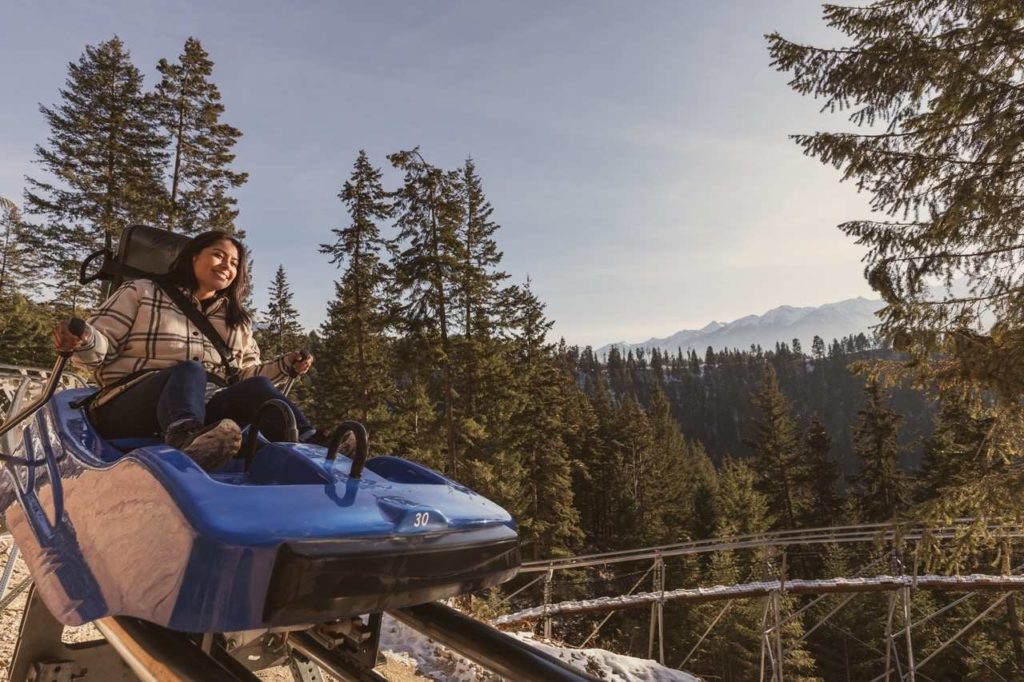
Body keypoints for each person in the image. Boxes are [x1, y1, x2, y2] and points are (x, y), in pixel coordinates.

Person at [53, 230, 323, 470]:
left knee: (258, 388)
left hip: (207, 409)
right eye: (218, 255)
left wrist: (285, 366)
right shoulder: (142, 291)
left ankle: (318, 448)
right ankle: (186, 440)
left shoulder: (236, 321)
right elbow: (104, 349)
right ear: (193, 257)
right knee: (190, 370)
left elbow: (243, 375)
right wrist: (84, 339)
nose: (226, 266)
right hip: (133, 403)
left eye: (234, 263)